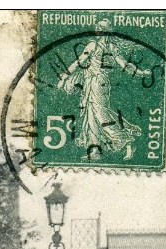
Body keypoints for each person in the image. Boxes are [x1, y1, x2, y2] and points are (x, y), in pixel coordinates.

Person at [56, 17, 152, 161]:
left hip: (96, 82)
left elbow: (79, 62)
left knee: (101, 115)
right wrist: (141, 72)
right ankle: (95, 150)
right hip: (99, 82)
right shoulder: (112, 47)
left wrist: (65, 76)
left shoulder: (93, 46)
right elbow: (125, 65)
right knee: (92, 115)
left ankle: (126, 140)